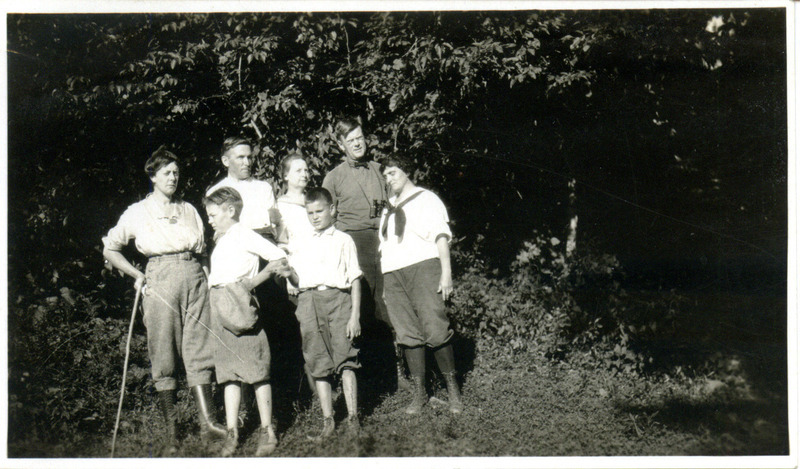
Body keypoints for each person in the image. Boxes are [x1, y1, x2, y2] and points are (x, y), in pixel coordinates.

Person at [102, 147, 226, 454]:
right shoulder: (137, 212)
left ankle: (208, 423)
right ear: (153, 176)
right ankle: (173, 432)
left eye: (176, 172)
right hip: (160, 277)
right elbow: (110, 249)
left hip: (195, 275)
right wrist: (136, 274)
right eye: (166, 173)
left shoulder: (189, 209)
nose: (173, 178)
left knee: (199, 349)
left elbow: (202, 251)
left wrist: (208, 278)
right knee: (164, 352)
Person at [204, 187, 293, 457]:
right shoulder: (223, 239)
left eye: (212, 214)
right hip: (220, 306)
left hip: (239, 305)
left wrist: (251, 284)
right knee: (229, 372)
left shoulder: (243, 234)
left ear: (230, 211)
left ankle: (267, 429)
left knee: (256, 369)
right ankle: (233, 433)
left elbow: (278, 257)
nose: (209, 219)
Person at [322, 116, 409, 391]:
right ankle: (365, 376)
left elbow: (394, 205)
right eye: (351, 140)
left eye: (360, 137)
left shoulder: (378, 170)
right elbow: (325, 219)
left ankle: (396, 374)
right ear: (340, 144)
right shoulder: (333, 177)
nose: (358, 143)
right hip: (352, 244)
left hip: (382, 243)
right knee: (360, 309)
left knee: (387, 305)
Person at [378, 154, 463, 414]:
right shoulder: (387, 207)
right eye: (385, 175)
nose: (388, 178)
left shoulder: (427, 198)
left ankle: (453, 392)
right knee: (406, 331)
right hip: (393, 274)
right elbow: (385, 247)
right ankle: (419, 393)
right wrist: (385, 284)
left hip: (424, 268)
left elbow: (440, 237)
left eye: (393, 172)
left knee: (434, 326)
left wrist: (446, 272)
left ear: (406, 170)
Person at [284, 187, 362, 440]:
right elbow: (296, 280)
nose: (315, 217)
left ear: (332, 209)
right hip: (308, 301)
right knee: (317, 360)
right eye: (310, 213)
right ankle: (328, 420)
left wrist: (355, 316)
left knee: (346, 357)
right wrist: (288, 274)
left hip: (338, 300)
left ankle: (352, 418)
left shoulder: (343, 240)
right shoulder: (301, 243)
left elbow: (355, 279)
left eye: (319, 211)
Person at [206, 136, 280, 240]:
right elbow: (221, 228)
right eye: (240, 157)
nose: (247, 163)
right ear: (226, 161)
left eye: (249, 157)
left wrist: (236, 219)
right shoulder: (215, 191)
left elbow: (275, 221)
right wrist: (264, 217)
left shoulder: (264, 188)